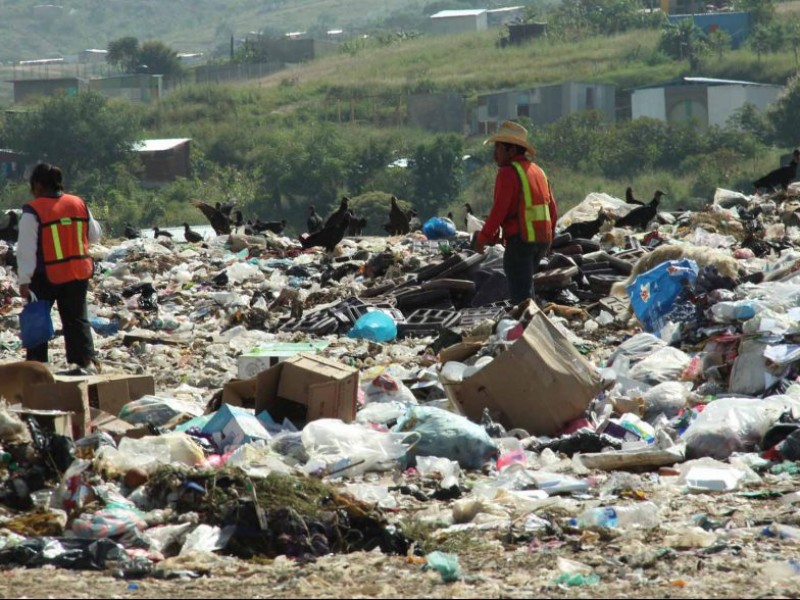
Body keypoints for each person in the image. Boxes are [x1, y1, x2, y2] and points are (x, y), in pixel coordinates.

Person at [16, 163, 102, 374]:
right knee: (76, 319)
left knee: (37, 318)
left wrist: (24, 280)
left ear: (37, 185)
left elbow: (26, 249)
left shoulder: (33, 210)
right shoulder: (79, 204)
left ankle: (36, 368)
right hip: (77, 272)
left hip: (46, 275)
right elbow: (94, 235)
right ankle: (83, 363)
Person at [475, 121, 558, 304]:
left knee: (521, 298)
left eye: (498, 148)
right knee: (526, 287)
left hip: (520, 242)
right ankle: (532, 322)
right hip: (540, 241)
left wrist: (484, 236)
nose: (494, 153)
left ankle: (527, 327)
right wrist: (550, 237)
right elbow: (552, 208)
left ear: (511, 150)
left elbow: (499, 209)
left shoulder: (508, 172)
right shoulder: (538, 172)